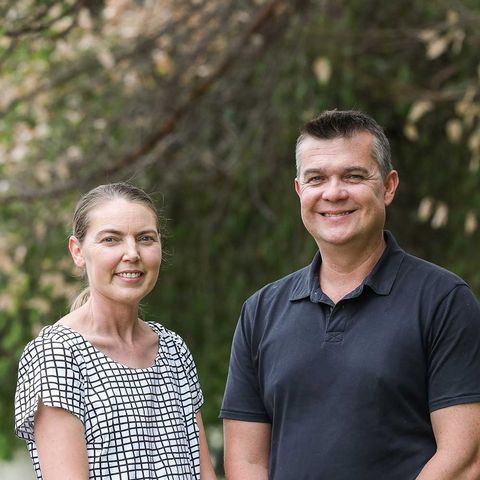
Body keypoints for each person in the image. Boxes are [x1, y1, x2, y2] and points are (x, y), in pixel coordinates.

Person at [220, 110, 480, 479]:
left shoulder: (444, 301)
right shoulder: (260, 311)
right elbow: (245, 462)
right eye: (317, 179)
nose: (334, 193)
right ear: (299, 191)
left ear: (388, 186)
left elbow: (464, 459)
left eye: (354, 176)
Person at [15, 183, 217, 480]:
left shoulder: (173, 349)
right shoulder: (56, 354)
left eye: (145, 238)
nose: (132, 253)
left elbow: (204, 473)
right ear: (78, 252)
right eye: (111, 239)